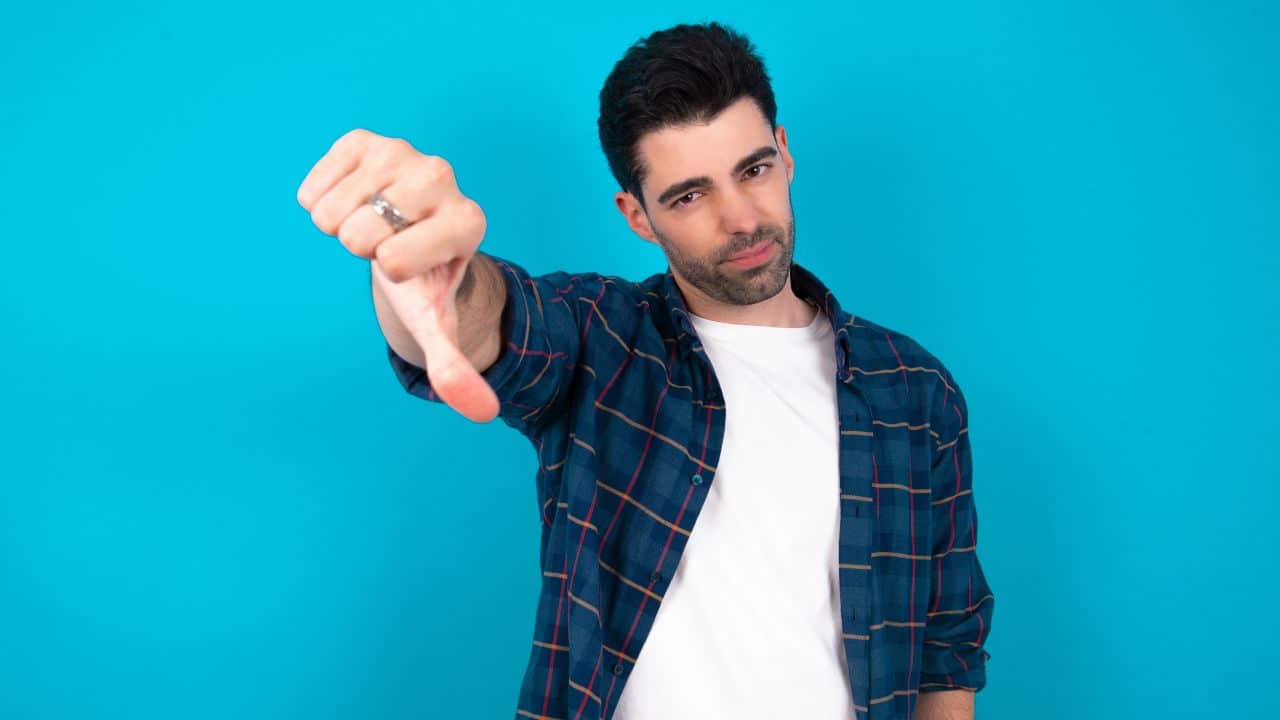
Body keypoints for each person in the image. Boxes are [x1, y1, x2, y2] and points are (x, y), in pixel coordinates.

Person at [296, 20, 993, 720]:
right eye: (690, 195)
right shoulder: (603, 340)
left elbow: (946, 648)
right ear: (637, 216)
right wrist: (429, 274)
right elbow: (501, 326)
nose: (741, 219)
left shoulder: (913, 390)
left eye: (753, 170)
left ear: (784, 154)